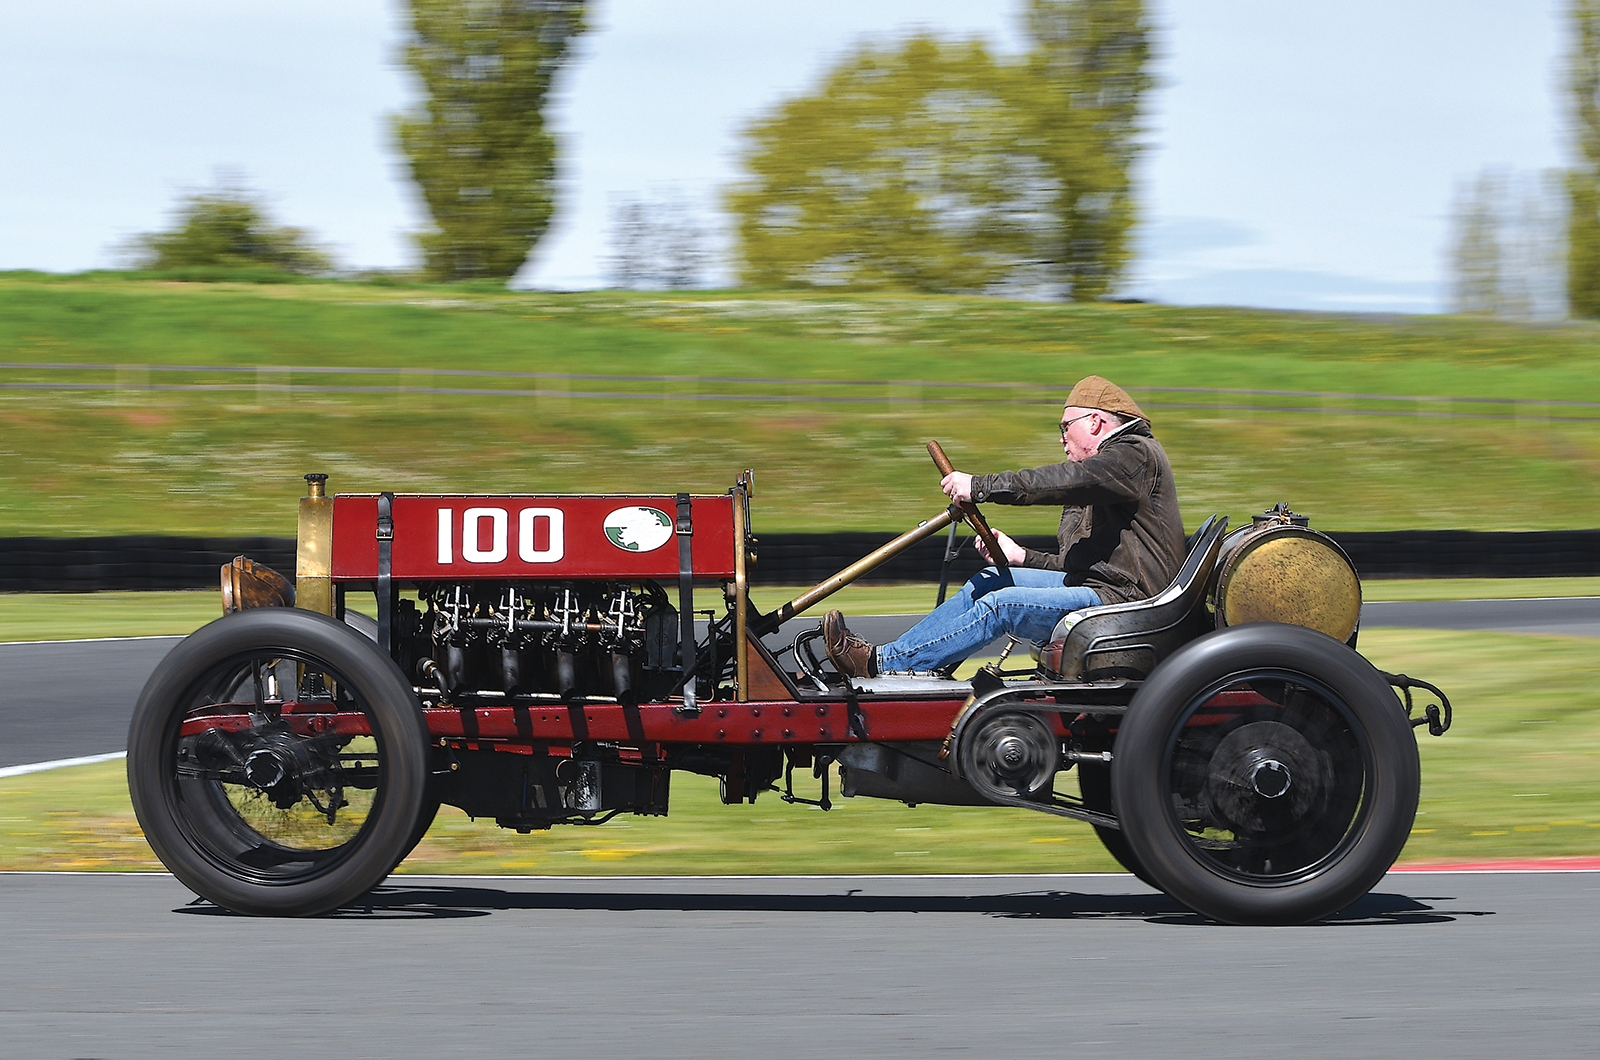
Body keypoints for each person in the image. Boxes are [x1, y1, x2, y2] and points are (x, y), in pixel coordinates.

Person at [823, 375, 1186, 677]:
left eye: (1065, 427)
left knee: (1002, 606)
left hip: (1127, 604)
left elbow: (1062, 481)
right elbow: (1081, 566)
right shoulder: (1108, 474)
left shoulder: (1133, 453)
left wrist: (978, 486)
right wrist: (1021, 555)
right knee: (987, 581)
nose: (1061, 439)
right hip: (1104, 590)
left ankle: (878, 664)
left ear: (1095, 422)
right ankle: (920, 667)